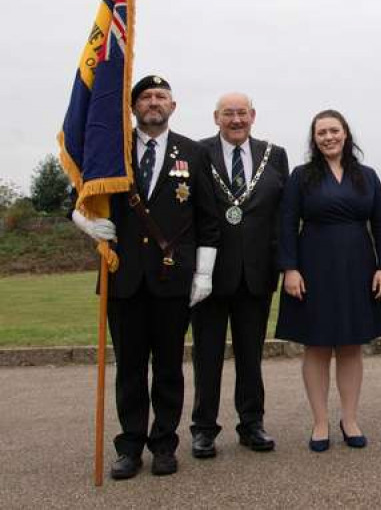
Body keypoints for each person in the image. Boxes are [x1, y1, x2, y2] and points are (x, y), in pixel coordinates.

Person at [72, 75, 220, 480]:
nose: (153, 103)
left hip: (173, 278)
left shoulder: (194, 152)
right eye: (145, 97)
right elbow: (81, 196)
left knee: (170, 367)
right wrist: (84, 222)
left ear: (173, 106)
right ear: (133, 106)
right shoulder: (111, 150)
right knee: (130, 368)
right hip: (124, 275)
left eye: (161, 97)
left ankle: (164, 444)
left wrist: (204, 273)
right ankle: (130, 445)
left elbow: (208, 218)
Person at [274, 110, 381, 451]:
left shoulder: (366, 176)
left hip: (358, 265)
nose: (328, 137)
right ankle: (320, 422)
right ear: (314, 138)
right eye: (322, 132)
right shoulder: (301, 176)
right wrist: (290, 268)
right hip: (313, 267)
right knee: (317, 345)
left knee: (352, 345)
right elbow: (286, 224)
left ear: (345, 134)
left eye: (334, 130)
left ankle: (350, 418)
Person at [189, 93, 289, 458]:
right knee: (207, 354)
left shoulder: (273, 154)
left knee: (251, 356)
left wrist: (283, 261)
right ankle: (203, 429)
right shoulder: (198, 153)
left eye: (242, 113)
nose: (236, 120)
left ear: (253, 116)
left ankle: (251, 424)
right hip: (209, 274)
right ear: (216, 117)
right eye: (228, 114)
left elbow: (282, 214)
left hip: (256, 274)